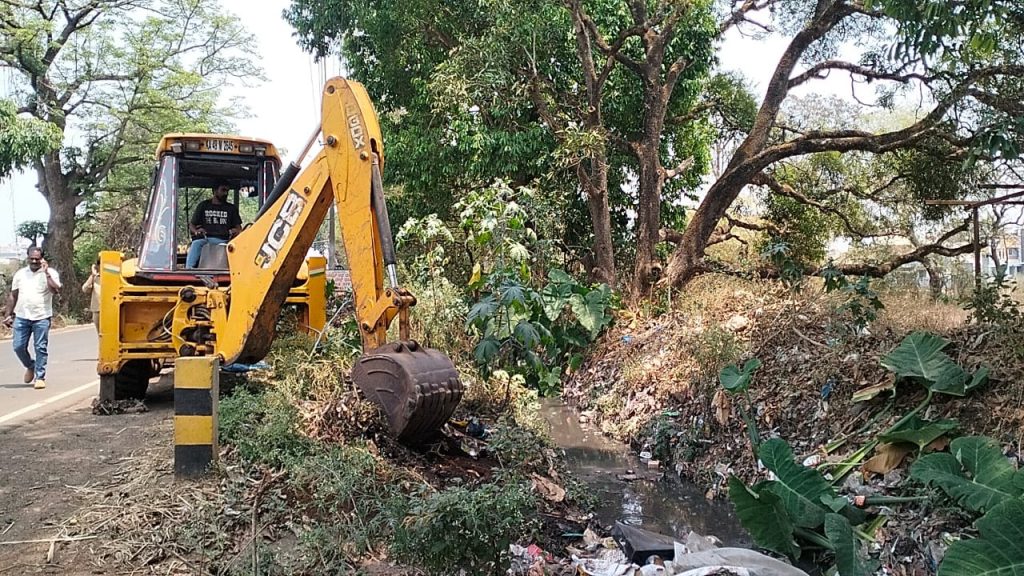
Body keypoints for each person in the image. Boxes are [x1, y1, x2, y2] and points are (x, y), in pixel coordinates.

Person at [2, 246, 61, 389]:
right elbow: (13, 295)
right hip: (22, 316)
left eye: (37, 258)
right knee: (18, 346)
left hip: (41, 317)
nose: (34, 261)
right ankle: (31, 366)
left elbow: (55, 290)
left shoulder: (50, 273)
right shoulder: (20, 274)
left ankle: (40, 377)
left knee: (40, 347)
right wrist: (7, 314)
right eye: (32, 258)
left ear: (42, 259)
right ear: (27, 258)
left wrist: (46, 272)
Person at [185, 182, 242, 268]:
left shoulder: (231, 208)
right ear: (215, 191)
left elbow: (239, 228)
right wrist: (196, 231)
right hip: (206, 238)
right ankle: (189, 269)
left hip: (225, 240)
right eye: (223, 190)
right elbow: (192, 225)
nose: (225, 193)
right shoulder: (203, 205)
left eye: (227, 191)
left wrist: (236, 231)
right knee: (196, 243)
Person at [82, 258, 100, 330]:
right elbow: (85, 289)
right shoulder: (95, 277)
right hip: (97, 310)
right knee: (101, 335)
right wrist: (93, 275)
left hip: (112, 309)